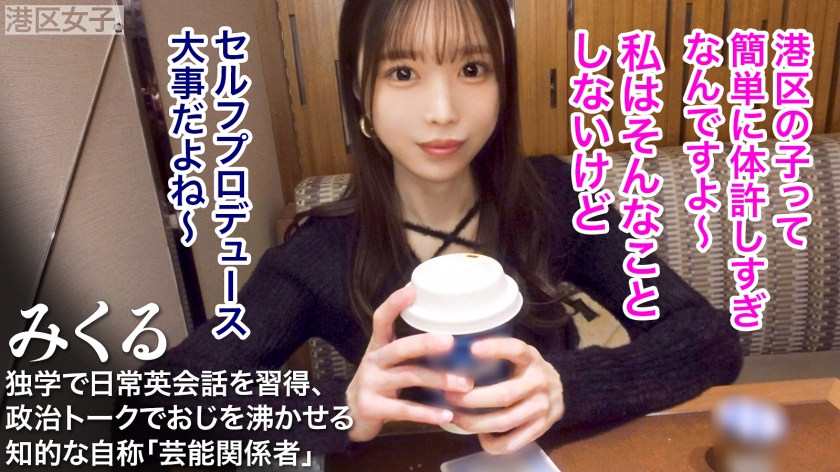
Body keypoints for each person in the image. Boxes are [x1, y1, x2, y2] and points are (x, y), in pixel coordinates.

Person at [115, 0, 743, 460]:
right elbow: (150, 406)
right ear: (358, 91)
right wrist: (341, 408)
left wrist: (566, 386)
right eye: (402, 72)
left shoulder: (555, 199)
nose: (443, 111)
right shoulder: (320, 254)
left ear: (502, 84)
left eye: (472, 68)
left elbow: (711, 337)